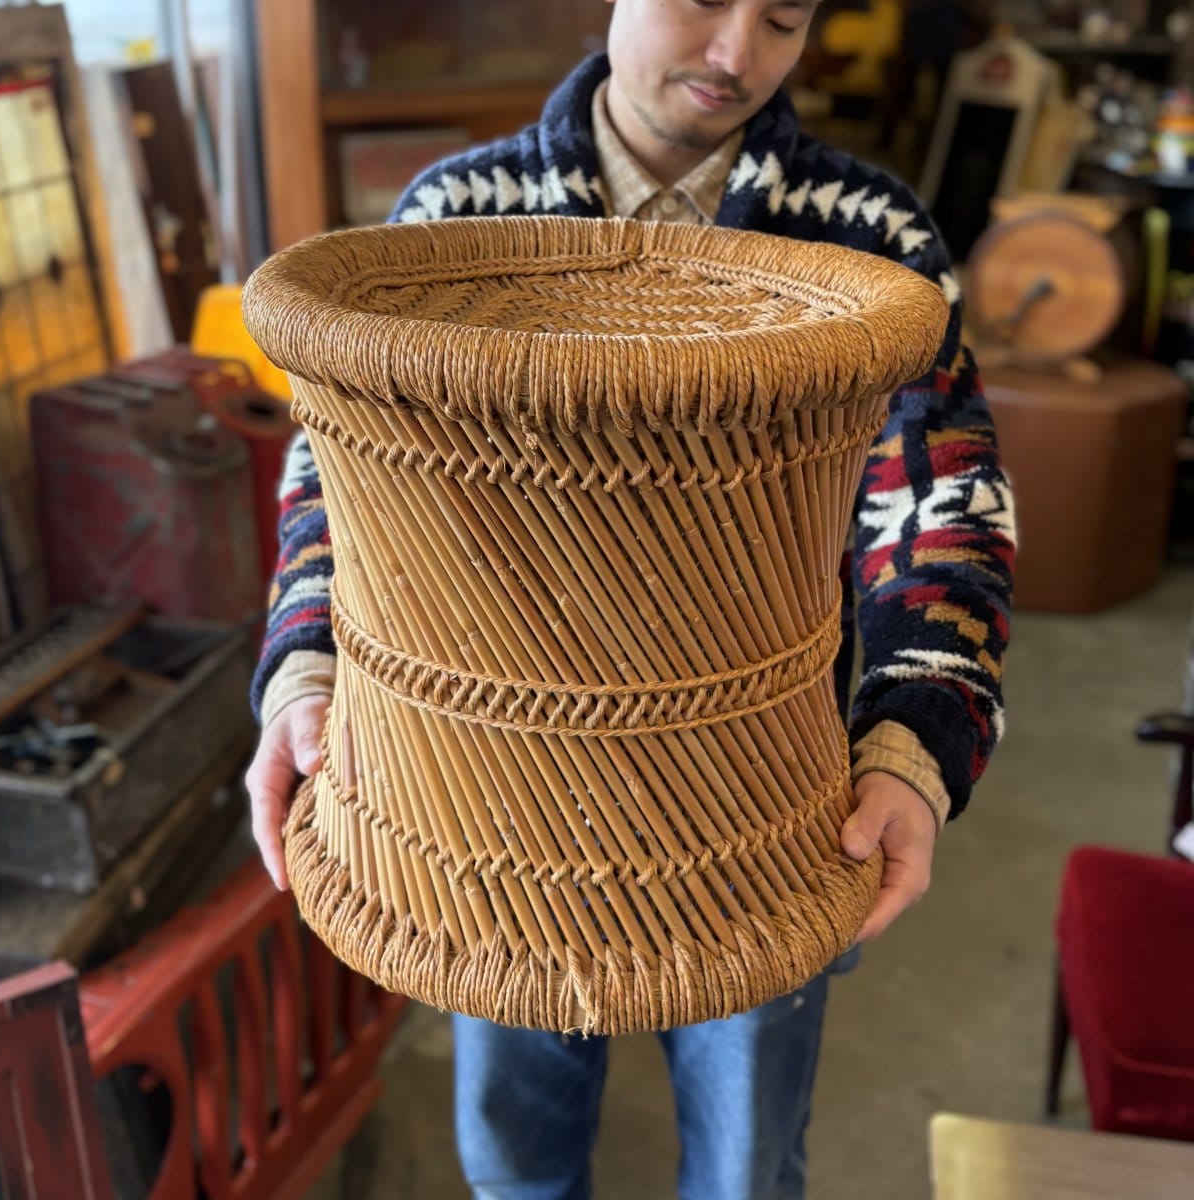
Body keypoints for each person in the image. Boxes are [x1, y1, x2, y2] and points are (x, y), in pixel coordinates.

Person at [245, 2, 1016, 1196]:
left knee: (747, 1164)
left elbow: (943, 500)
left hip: (755, 806)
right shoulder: (453, 220)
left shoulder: (868, 238)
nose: (734, 54)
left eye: (782, 17)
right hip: (484, 815)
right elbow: (331, 482)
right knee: (515, 1158)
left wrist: (920, 736)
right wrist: (305, 668)